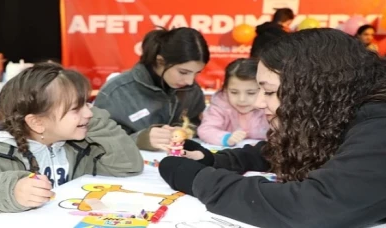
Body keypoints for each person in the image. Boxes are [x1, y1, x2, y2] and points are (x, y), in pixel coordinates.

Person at [158, 28, 386, 228]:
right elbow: (300, 147)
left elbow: (310, 208)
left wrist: (200, 179)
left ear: (312, 91)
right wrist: (215, 161)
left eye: (268, 91)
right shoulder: (346, 113)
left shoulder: (379, 126)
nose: (258, 103)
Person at [0, 63, 144, 220]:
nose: (89, 113)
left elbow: (128, 165)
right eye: (76, 108)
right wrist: (10, 193)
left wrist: (92, 121)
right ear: (37, 123)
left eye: (87, 103)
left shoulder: (77, 144)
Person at [94, 27, 210, 151]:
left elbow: (196, 124)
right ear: (160, 61)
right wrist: (139, 139)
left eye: (196, 73)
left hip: (174, 164)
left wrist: (184, 130)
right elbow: (95, 138)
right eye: (183, 72)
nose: (190, 81)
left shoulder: (191, 90)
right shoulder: (116, 92)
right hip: (131, 167)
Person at [197, 58, 269, 146]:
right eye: (234, 92)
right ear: (225, 89)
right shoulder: (220, 105)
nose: (242, 99)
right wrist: (226, 138)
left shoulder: (269, 106)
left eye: (251, 93)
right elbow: (205, 130)